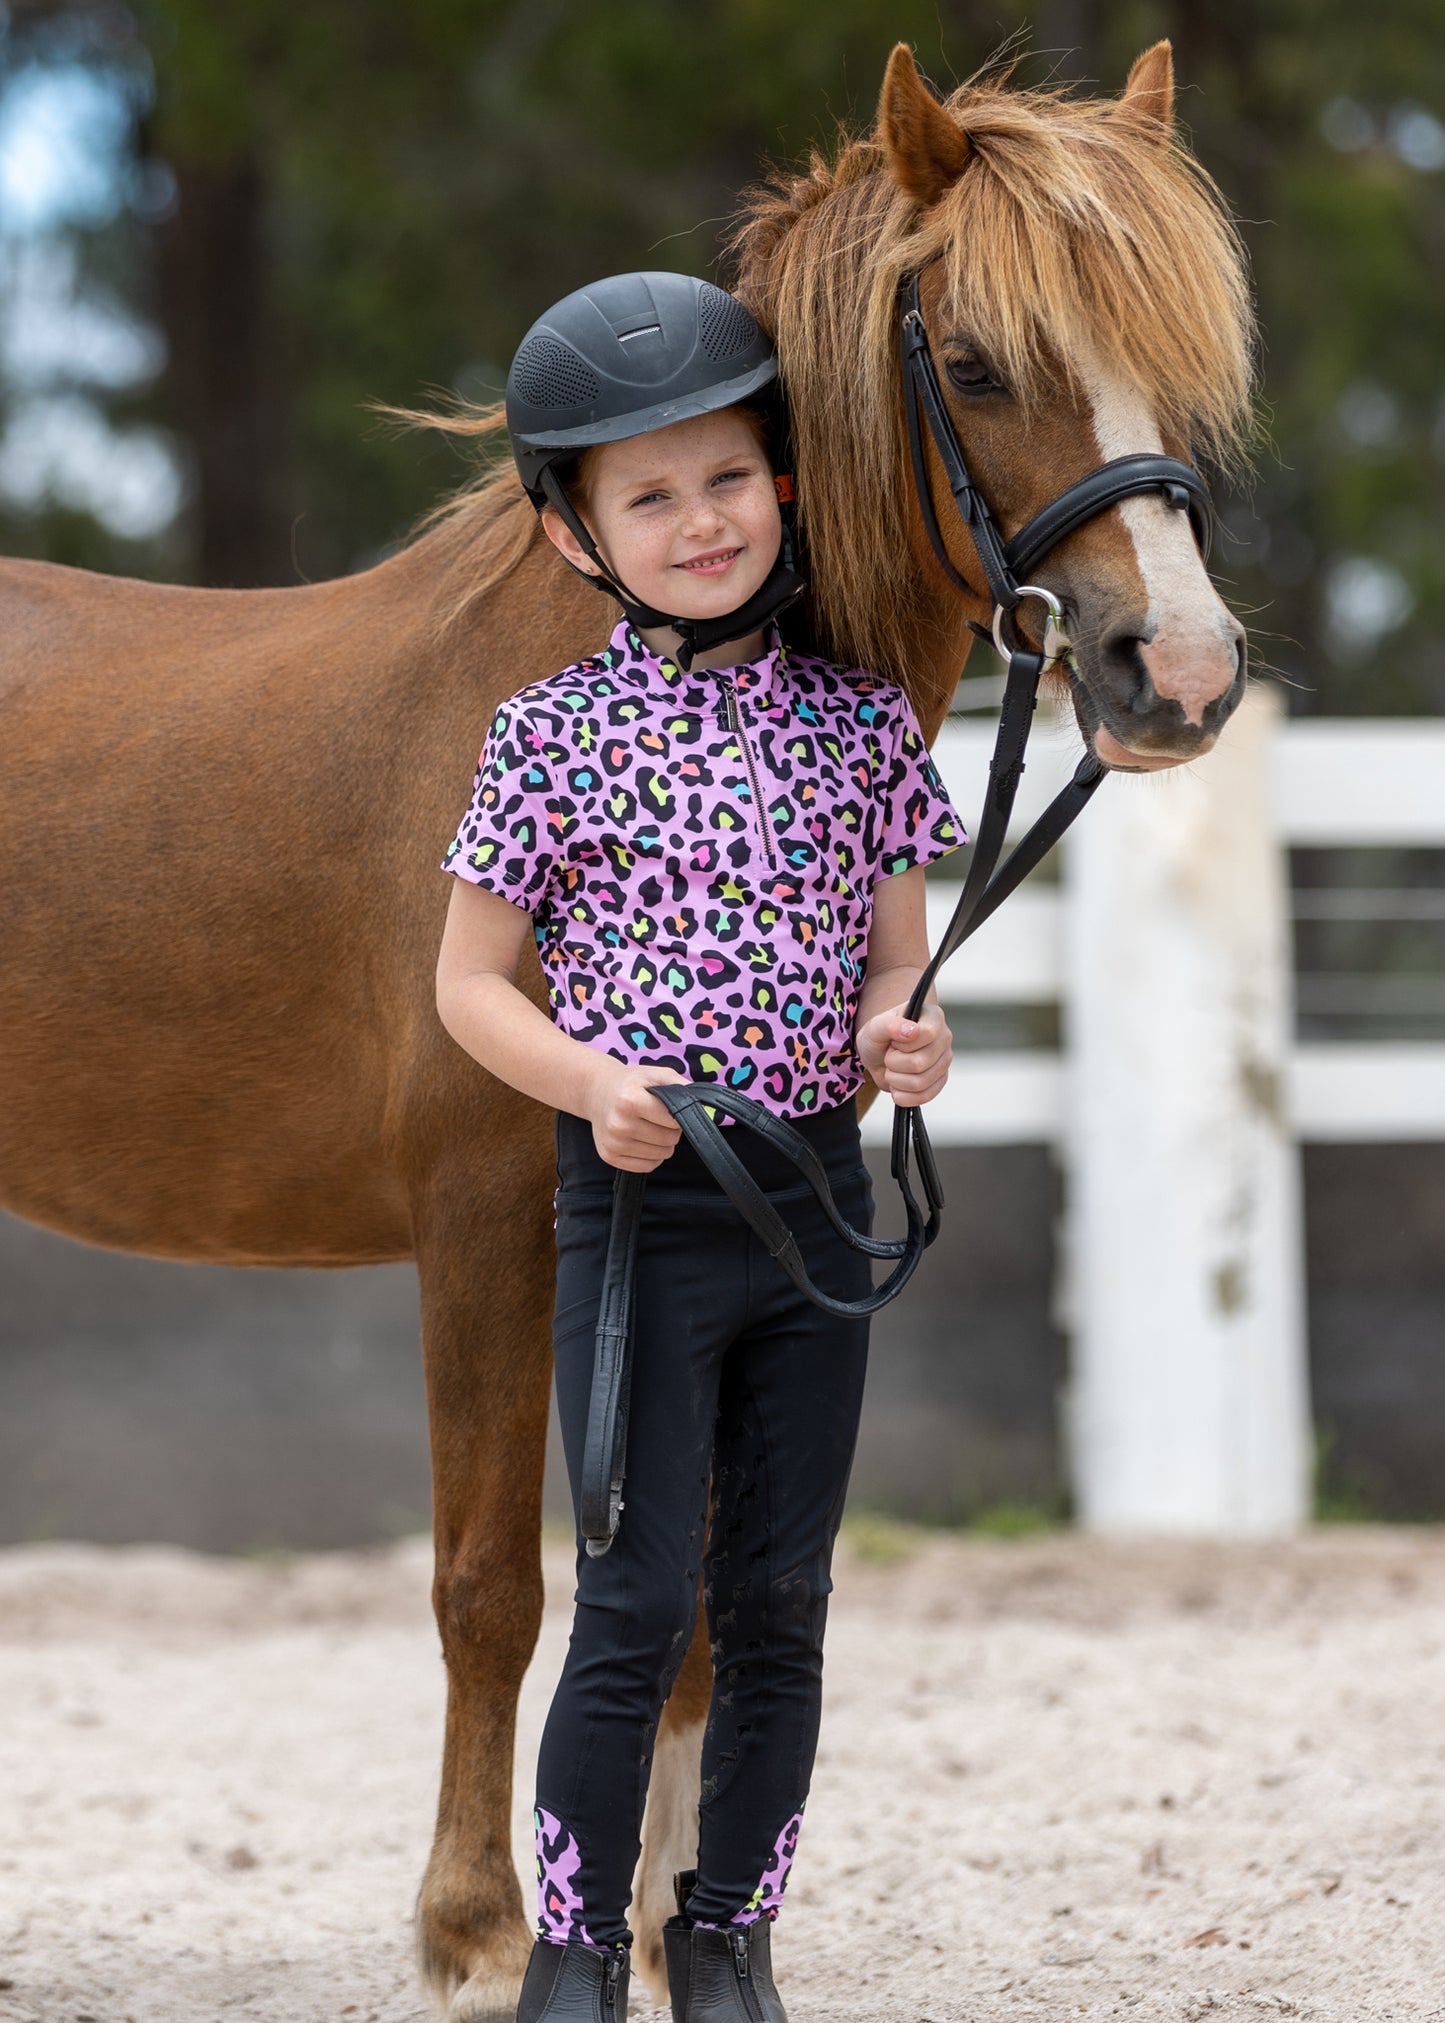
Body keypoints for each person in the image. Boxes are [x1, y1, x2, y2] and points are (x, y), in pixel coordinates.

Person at [434, 271, 965, 2023]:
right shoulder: (548, 738)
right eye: (645, 497)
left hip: (815, 1208)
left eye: (723, 479)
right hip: (647, 1213)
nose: (697, 522)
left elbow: (893, 952)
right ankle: (578, 1950)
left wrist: (904, 1027)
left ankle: (723, 1935)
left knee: (780, 1599)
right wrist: (587, 1079)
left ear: (784, 487)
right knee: (636, 1595)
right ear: (579, 539)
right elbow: (467, 988)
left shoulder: (864, 727)